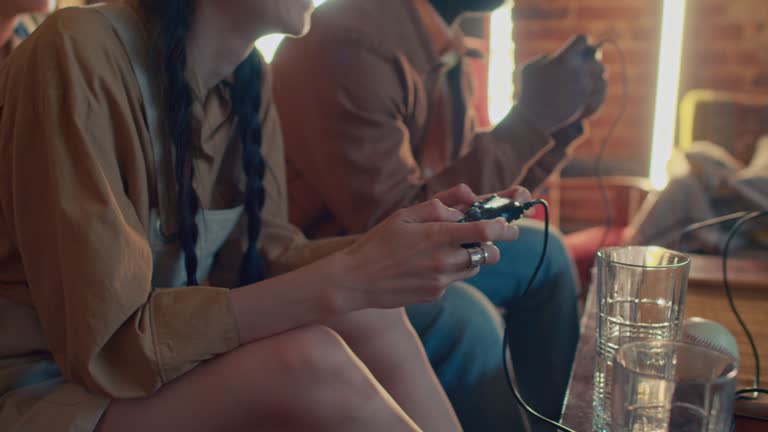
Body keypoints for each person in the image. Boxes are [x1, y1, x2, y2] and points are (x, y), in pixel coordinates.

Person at [0, 1, 522, 431]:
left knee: (372, 314)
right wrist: (352, 275)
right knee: (308, 364)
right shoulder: (74, 54)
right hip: (53, 386)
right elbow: (108, 348)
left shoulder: (246, 80)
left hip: (156, 364)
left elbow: (267, 258)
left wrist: (395, 246)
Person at [271, 0, 606, 428]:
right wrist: (531, 117)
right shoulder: (350, 40)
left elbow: (464, 197)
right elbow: (392, 226)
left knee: (546, 249)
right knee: (467, 321)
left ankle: (553, 424)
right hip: (330, 257)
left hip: (397, 238)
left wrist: (556, 124)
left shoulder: (441, 42)